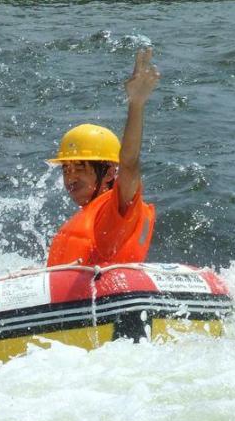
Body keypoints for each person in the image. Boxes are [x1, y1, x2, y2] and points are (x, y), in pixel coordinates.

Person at [45, 48, 159, 267]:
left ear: (108, 172)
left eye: (79, 168)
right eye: (65, 170)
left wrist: (136, 104)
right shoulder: (89, 215)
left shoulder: (119, 207)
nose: (70, 178)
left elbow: (129, 163)